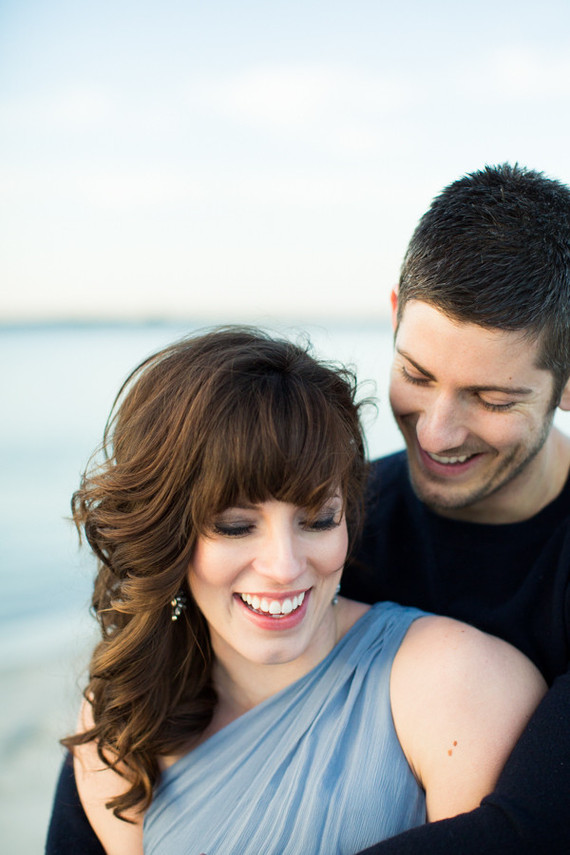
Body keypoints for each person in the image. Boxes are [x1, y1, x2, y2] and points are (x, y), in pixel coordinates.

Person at [46, 327, 544, 855]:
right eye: (236, 527)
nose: (285, 566)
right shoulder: (121, 724)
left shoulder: (460, 685)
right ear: (166, 539)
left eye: (318, 520)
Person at [340, 163, 570, 854]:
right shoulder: (327, 524)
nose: (437, 432)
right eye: (416, 374)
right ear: (394, 315)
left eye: (492, 400)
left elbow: (528, 835)